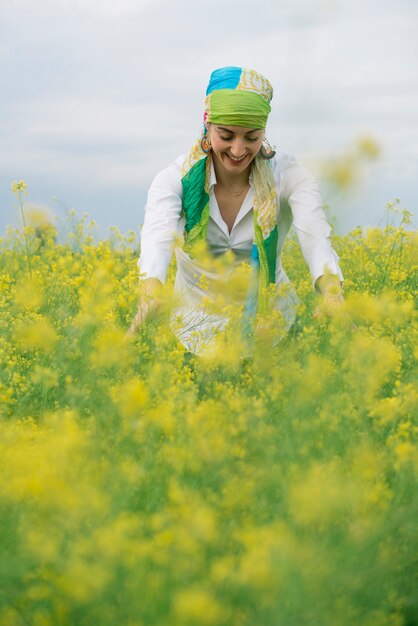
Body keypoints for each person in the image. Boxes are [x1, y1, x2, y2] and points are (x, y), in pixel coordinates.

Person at [129, 66, 344, 354]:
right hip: (193, 334)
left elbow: (315, 236)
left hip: (273, 331)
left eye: (251, 137)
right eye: (227, 135)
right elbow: (157, 237)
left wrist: (331, 293)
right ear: (208, 125)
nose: (238, 149)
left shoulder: (290, 176)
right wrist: (150, 295)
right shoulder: (174, 179)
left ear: (264, 133)